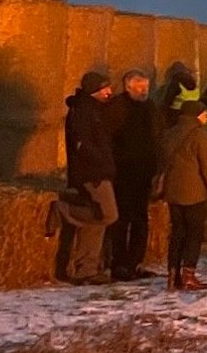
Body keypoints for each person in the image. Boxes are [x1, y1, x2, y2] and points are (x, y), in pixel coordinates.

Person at [54, 71, 120, 285]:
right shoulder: (83, 111)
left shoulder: (95, 110)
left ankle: (86, 269)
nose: (109, 92)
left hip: (100, 171)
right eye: (105, 88)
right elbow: (82, 144)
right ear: (95, 90)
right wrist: (101, 162)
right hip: (92, 173)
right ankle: (64, 210)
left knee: (96, 223)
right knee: (108, 215)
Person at [158, 96, 207, 291]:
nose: (206, 117)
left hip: (172, 191)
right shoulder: (200, 136)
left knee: (177, 232)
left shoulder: (169, 134)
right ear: (197, 115)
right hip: (194, 193)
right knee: (194, 233)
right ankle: (188, 274)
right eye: (205, 114)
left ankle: (172, 274)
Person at [106, 69, 162, 281]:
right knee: (121, 219)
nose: (144, 90)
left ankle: (135, 262)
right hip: (123, 172)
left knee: (140, 220)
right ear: (128, 86)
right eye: (140, 86)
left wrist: (157, 167)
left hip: (144, 172)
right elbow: (110, 139)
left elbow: (158, 136)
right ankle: (119, 263)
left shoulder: (150, 108)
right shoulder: (118, 108)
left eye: (146, 86)